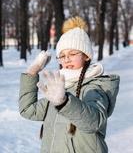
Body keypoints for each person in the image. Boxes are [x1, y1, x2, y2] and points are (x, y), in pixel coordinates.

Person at [19, 16, 120, 153]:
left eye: (72, 53)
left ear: (86, 56)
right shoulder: (60, 88)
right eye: (62, 55)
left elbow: (94, 122)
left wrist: (64, 102)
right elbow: (28, 110)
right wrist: (32, 71)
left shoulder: (94, 88)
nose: (66, 59)